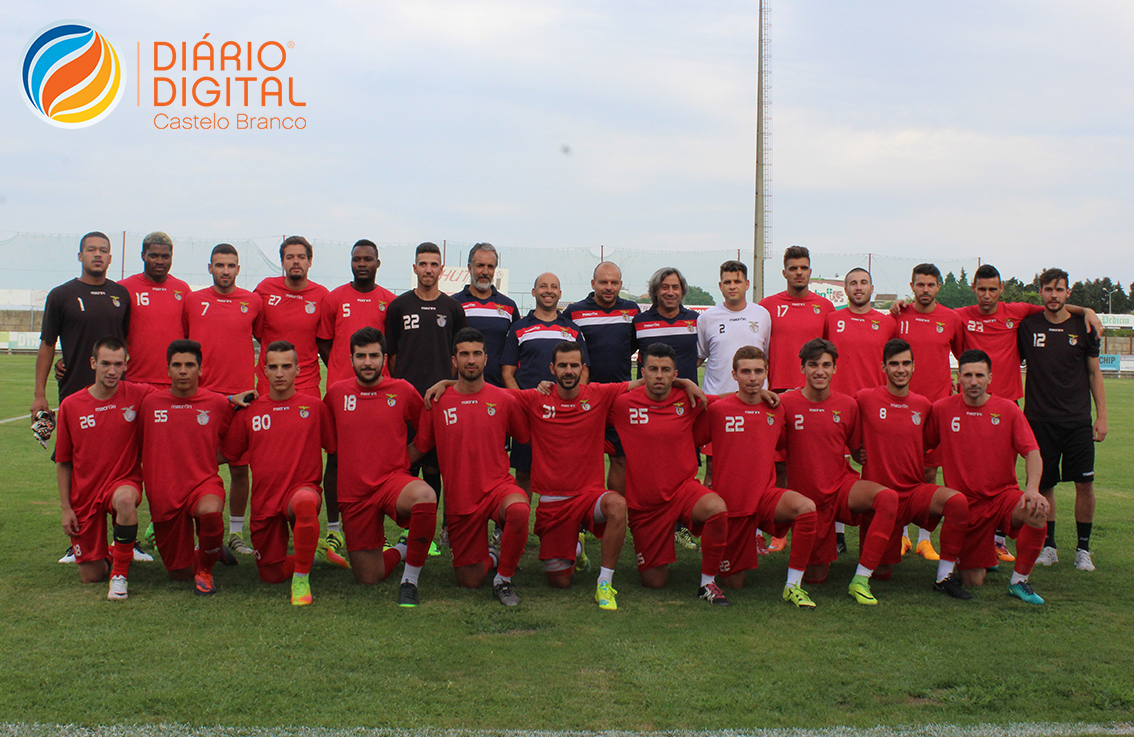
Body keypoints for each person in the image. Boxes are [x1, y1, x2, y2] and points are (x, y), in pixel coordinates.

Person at [693, 346, 820, 608]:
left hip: (765, 496)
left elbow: (786, 443)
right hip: (733, 505)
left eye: (758, 371)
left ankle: (792, 586)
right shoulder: (718, 410)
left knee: (806, 508)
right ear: (734, 374)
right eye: (746, 372)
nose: (753, 378)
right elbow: (692, 440)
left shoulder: (776, 408)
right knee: (734, 582)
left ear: (766, 373)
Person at [413, 328, 532, 607]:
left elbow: (526, 437)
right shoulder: (437, 401)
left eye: (476, 353)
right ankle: (492, 555)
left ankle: (503, 579)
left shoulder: (504, 400)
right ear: (454, 360)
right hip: (461, 500)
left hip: (497, 488)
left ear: (485, 358)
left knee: (518, 509)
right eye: (464, 354)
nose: (471, 360)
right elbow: (419, 449)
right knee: (470, 580)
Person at [778, 339, 900, 605]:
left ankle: (861, 578)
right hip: (807, 500)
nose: (819, 371)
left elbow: (857, 451)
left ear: (835, 369)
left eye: (825, 365)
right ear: (802, 369)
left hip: (841, 487)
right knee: (815, 577)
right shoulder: (785, 403)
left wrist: (868, 451)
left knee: (887, 498)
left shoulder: (848, 405)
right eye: (813, 365)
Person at [221, 341, 343, 606]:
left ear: (298, 369)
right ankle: (315, 553)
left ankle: (301, 578)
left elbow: (335, 451)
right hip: (265, 502)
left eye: (286, 366)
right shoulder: (249, 411)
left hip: (301, 491)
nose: (279, 373)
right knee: (271, 575)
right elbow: (227, 454)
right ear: (263, 370)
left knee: (305, 502)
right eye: (273, 367)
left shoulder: (314, 408)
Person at [924, 349, 1050, 604]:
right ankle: (983, 556)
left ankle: (1019, 581)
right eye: (967, 375)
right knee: (972, 580)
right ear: (958, 377)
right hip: (965, 506)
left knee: (1036, 511)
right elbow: (918, 445)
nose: (973, 381)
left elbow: (1033, 452)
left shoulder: (1008, 410)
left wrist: (1033, 489)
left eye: (979, 375)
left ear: (989, 378)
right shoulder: (941, 409)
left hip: (1002, 497)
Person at [324, 327, 438, 607]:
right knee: (369, 577)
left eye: (374, 355)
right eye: (361, 356)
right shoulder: (337, 394)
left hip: (392, 482)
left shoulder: (400, 389)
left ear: (384, 358)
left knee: (425, 496)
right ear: (351, 360)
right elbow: (328, 438)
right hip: (355, 494)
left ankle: (410, 580)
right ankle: (401, 548)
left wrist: (415, 452)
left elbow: (426, 420)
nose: (367, 362)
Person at [609, 343, 731, 605]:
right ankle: (664, 542)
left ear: (675, 374)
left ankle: (707, 583)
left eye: (666, 370)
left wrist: (766, 395)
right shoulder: (622, 404)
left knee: (717, 508)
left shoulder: (689, 399)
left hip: (683, 490)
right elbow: (589, 402)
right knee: (655, 582)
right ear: (642, 371)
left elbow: (731, 402)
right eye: (653, 369)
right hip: (646, 504)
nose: (659, 376)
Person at [853, 339, 972, 599]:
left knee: (957, 503)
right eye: (894, 364)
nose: (900, 369)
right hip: (880, 498)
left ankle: (944, 576)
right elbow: (839, 418)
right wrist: (854, 450)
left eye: (906, 363)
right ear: (883, 367)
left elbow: (930, 440)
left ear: (913, 367)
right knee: (882, 573)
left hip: (913, 493)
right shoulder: (865, 398)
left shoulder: (923, 405)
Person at [1017, 269, 1107, 571]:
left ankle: (1083, 550)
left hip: (1078, 421)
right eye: (1048, 289)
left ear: (1069, 293)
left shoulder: (1084, 327)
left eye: (1059, 289)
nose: (1053, 295)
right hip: (1039, 421)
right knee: (1045, 485)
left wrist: (1102, 417)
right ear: (1040, 292)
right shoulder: (1028, 326)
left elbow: (1095, 373)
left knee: (1085, 484)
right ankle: (1049, 546)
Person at [316, 239, 397, 553]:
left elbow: (392, 348)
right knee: (336, 458)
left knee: (376, 462)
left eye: (368, 259)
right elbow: (324, 342)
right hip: (342, 393)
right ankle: (334, 530)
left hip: (379, 395)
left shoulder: (389, 301)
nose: (361, 264)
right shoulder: (335, 298)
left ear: (378, 262)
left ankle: (376, 529)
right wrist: (339, 369)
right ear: (351, 263)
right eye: (356, 259)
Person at [54, 337, 152, 599]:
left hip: (122, 482)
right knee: (91, 576)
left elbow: (178, 394)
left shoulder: (138, 394)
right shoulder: (71, 406)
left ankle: (119, 575)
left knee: (126, 499)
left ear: (125, 366)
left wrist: (229, 398)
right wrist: (66, 508)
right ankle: (114, 553)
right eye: (106, 363)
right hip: (85, 494)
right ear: (93, 363)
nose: (112, 370)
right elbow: (63, 462)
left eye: (118, 364)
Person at [138, 340, 237, 595]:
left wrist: (213, 458)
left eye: (190, 365)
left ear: (200, 370)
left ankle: (205, 569)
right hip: (165, 493)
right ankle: (210, 550)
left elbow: (234, 439)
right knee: (179, 574)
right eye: (177, 365)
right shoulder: (149, 404)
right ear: (168, 370)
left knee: (211, 512)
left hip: (202, 484)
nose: (183, 371)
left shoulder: (217, 404)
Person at [183, 244, 263, 557]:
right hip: (202, 399)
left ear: (238, 269)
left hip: (241, 399)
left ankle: (235, 533)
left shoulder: (253, 301)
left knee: (240, 468)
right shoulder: (193, 300)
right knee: (197, 467)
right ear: (210, 267)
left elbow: (261, 338)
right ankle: (195, 529)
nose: (225, 271)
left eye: (231, 265)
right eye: (219, 265)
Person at [386, 242, 467, 513]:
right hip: (408, 401)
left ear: (441, 269)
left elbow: (458, 355)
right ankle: (410, 528)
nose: (428, 269)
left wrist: (446, 384)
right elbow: (393, 355)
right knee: (407, 461)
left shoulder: (453, 308)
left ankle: (435, 528)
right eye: (423, 264)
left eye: (433, 264)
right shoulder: (399, 306)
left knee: (435, 464)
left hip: (441, 401)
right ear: (415, 268)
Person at [891, 263, 964, 560]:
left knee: (929, 471)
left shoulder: (951, 318)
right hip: (902, 405)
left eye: (930, 285)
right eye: (920, 284)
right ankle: (901, 535)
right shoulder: (899, 315)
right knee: (898, 470)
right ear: (911, 286)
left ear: (938, 287)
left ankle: (925, 538)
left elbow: (964, 355)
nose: (925, 290)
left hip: (936, 407)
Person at [955, 264, 1101, 404]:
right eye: (982, 289)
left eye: (992, 289)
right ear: (973, 288)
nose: (987, 295)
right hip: (971, 397)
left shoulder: (1017, 311)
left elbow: (1053, 307)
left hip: (1007, 399)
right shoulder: (959, 316)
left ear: (1001, 288)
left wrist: (1086, 311)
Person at [502, 272, 589, 491]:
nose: (548, 290)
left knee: (566, 470)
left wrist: (573, 403)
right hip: (530, 413)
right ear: (534, 292)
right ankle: (519, 523)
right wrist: (523, 403)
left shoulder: (572, 329)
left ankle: (569, 523)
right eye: (542, 286)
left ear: (560, 293)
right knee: (524, 472)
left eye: (553, 287)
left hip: (564, 413)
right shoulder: (519, 327)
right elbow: (507, 373)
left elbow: (584, 370)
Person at [33, 231, 130, 415]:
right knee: (72, 444)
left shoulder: (122, 294)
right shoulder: (60, 295)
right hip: (74, 389)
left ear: (110, 258)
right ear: (80, 256)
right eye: (91, 249)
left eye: (103, 250)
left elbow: (125, 341)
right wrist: (40, 395)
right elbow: (47, 344)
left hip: (115, 391)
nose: (97, 254)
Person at [696, 260, 771, 488]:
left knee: (754, 467)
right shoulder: (707, 318)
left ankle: (755, 521)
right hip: (718, 402)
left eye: (737, 281)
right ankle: (715, 521)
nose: (732, 286)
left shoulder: (762, 315)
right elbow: (700, 356)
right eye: (727, 282)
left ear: (747, 284)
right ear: (720, 286)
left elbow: (766, 357)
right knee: (714, 471)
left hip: (755, 402)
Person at [565, 262, 639, 493]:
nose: (609, 287)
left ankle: (614, 510)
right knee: (582, 460)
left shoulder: (632, 310)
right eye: (603, 282)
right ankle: (582, 515)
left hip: (620, 398)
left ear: (620, 285)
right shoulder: (574, 312)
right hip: (586, 398)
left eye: (614, 282)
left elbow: (634, 346)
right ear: (592, 283)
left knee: (620, 458)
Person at [254, 235, 329, 397]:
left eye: (301, 257)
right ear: (282, 263)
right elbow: (258, 331)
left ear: (309, 262)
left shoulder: (322, 295)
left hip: (306, 383)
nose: (296, 261)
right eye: (290, 257)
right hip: (270, 381)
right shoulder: (265, 288)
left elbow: (324, 338)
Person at [118, 232, 191, 387]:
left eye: (165, 256)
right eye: (154, 256)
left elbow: (188, 333)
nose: (160, 261)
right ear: (143, 255)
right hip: (134, 379)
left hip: (174, 381)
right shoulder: (124, 288)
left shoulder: (182, 289)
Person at [759, 246, 835, 392]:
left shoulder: (825, 307)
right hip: (778, 388)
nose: (799, 272)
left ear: (810, 272)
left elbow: (830, 351)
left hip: (814, 387)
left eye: (804, 268)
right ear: (784, 273)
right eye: (793, 268)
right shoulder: (767, 306)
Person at [452, 242, 519, 388]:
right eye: (480, 265)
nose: (485, 271)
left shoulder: (509, 306)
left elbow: (515, 352)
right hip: (461, 389)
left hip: (498, 390)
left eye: (490, 267)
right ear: (470, 268)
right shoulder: (454, 304)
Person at [825, 268, 896, 397]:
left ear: (872, 288)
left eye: (863, 282)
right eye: (853, 283)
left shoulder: (888, 323)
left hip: (876, 398)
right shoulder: (831, 319)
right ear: (846, 290)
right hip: (838, 398)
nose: (858, 287)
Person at [632, 267, 700, 382]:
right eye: (664, 287)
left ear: (682, 291)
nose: (670, 292)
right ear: (655, 291)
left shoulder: (695, 320)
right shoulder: (640, 321)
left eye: (675, 287)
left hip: (686, 396)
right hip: (649, 397)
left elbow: (704, 354)